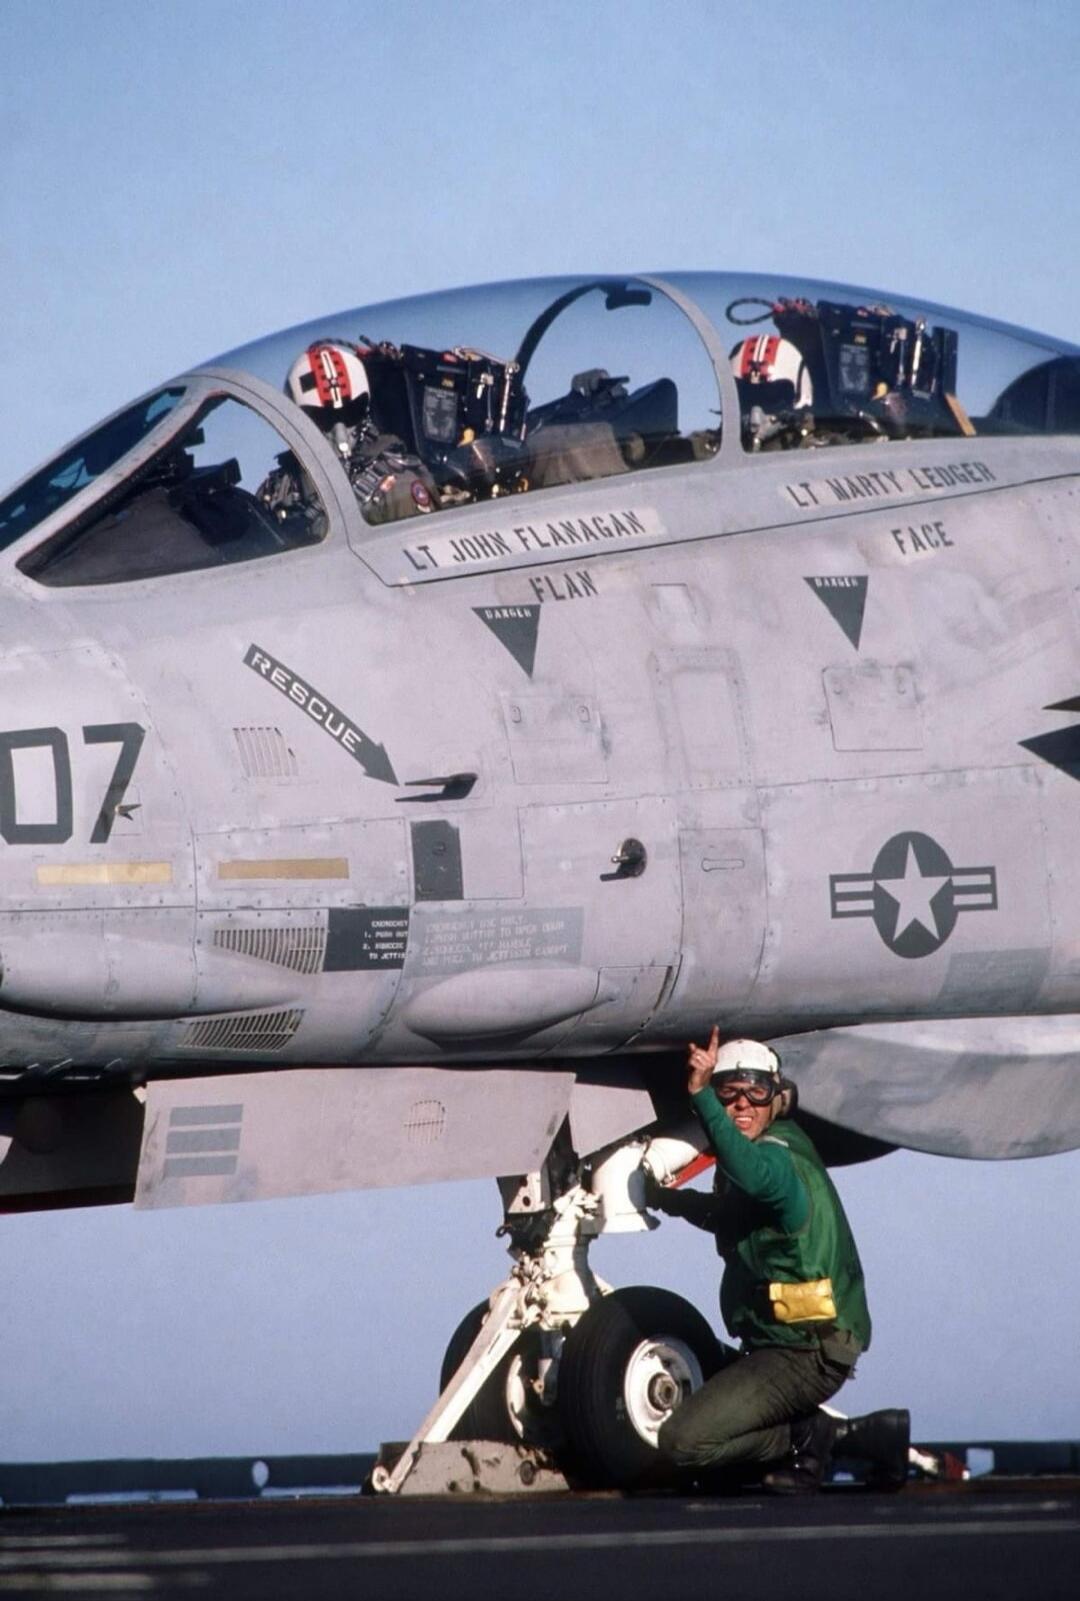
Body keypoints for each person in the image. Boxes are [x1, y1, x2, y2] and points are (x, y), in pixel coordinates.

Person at [649, 1030, 906, 1493]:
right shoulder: (760, 1157)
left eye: (756, 1092)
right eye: (728, 1092)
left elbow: (755, 1175)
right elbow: (728, 1216)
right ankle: (871, 1436)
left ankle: (812, 1437)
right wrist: (668, 1200)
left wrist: (702, 1097)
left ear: (777, 1099)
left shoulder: (777, 1161)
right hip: (780, 1342)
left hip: (807, 1352)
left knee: (682, 1445)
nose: (742, 1104)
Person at [261, 340, 439, 528]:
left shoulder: (396, 486)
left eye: (351, 413)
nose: (340, 434)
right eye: (323, 418)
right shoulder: (278, 491)